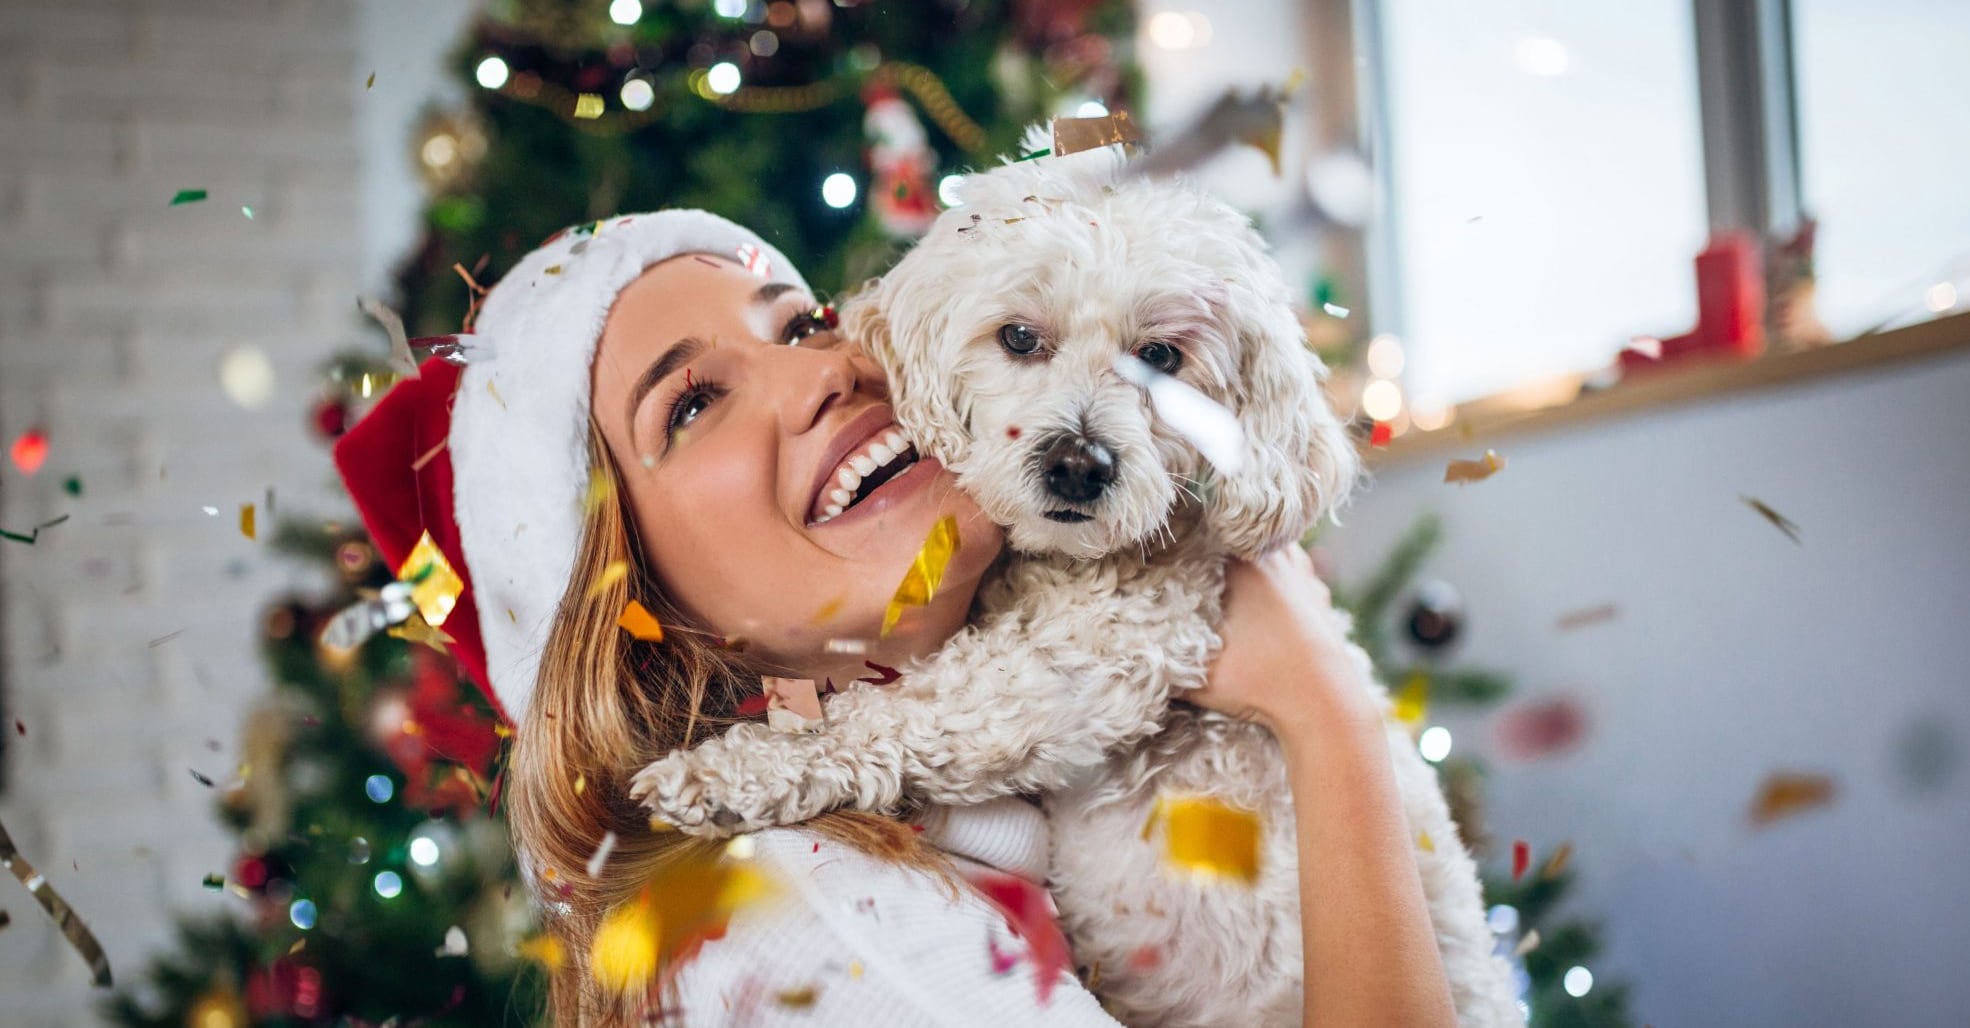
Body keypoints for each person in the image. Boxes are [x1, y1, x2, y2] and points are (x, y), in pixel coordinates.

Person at [335, 210, 1454, 1026]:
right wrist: (1325, 712)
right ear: (638, 606)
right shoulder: (806, 927)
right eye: (692, 403)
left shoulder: (971, 813)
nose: (830, 369)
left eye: (802, 321)